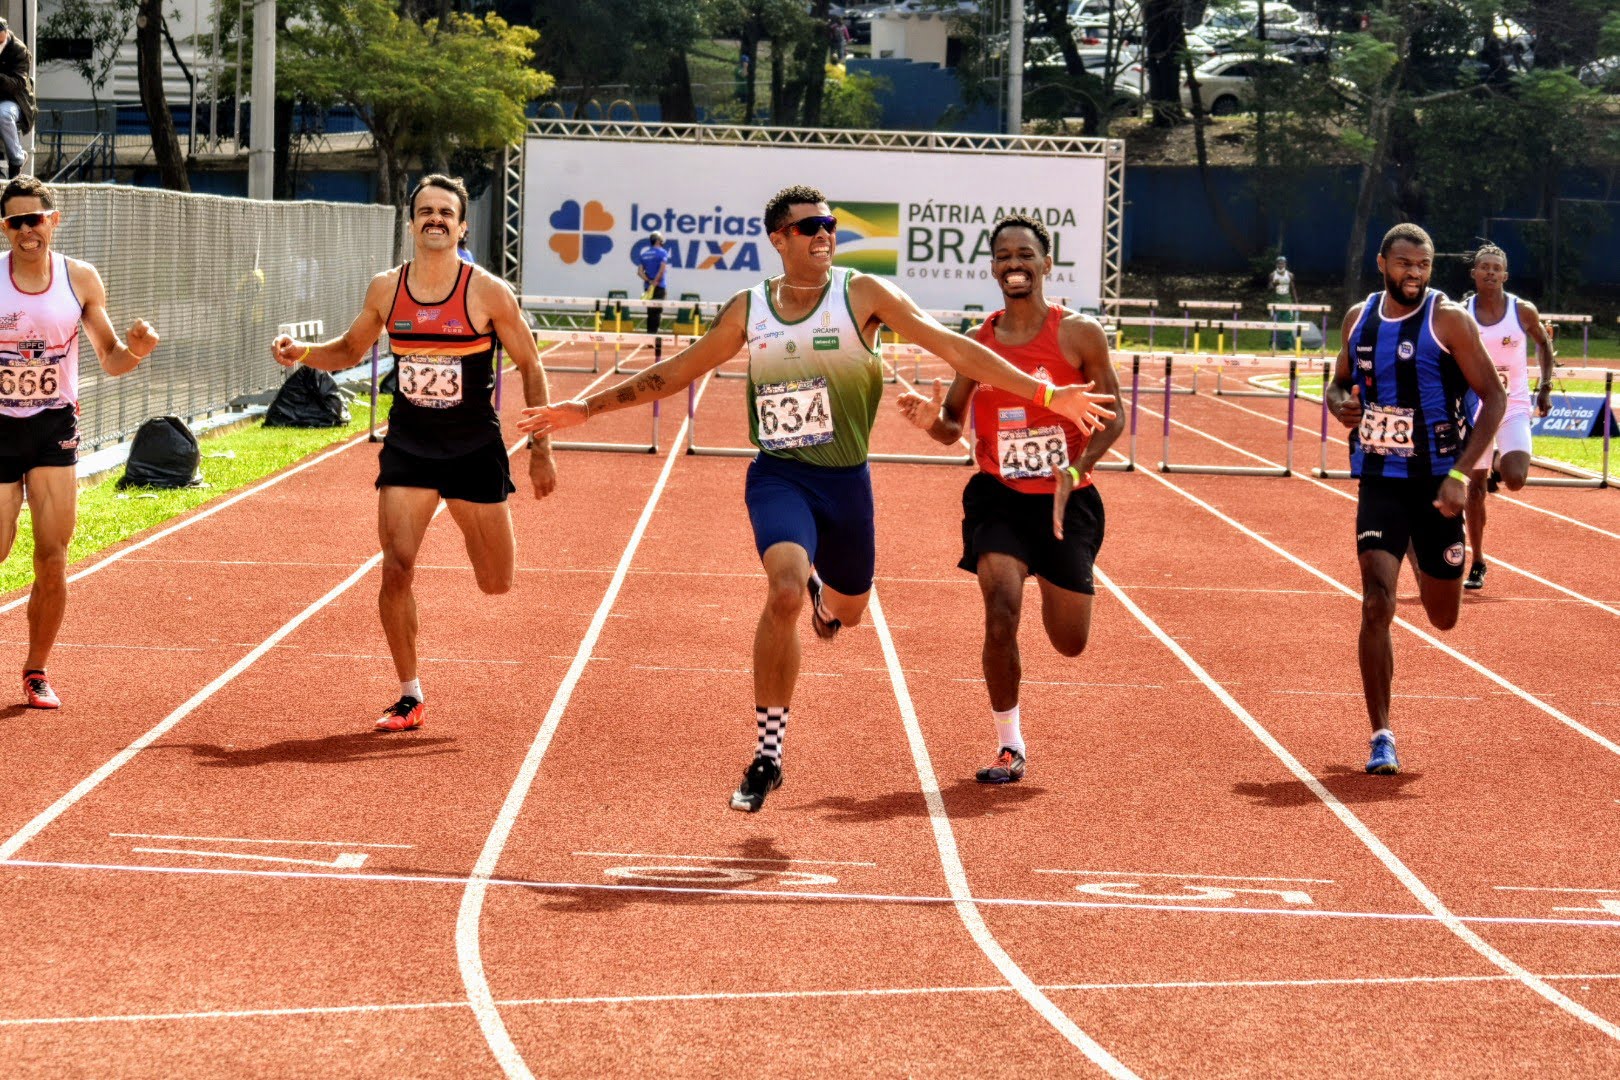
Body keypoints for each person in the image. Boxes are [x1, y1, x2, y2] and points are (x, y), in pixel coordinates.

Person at [519, 184, 1115, 812]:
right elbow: (680, 370)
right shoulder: (750, 309)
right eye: (808, 227)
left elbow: (955, 347)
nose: (824, 233)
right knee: (781, 588)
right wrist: (583, 408)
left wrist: (1049, 397)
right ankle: (768, 754)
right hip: (780, 474)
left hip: (846, 486)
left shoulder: (861, 294)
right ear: (779, 239)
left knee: (851, 610)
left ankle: (825, 595)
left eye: (829, 223)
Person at [271, 173, 558, 732]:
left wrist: (541, 448)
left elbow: (531, 364)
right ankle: (410, 693)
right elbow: (352, 349)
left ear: (461, 225)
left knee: (496, 581)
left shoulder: (488, 291)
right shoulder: (387, 289)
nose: (435, 219)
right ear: (411, 223)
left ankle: (419, 675)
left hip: (474, 448)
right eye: (425, 211)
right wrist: (303, 352)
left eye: (445, 213)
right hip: (410, 448)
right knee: (396, 569)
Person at [896, 213, 1125, 784]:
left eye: (1025, 255)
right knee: (999, 611)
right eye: (1003, 257)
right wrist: (932, 420)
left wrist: (1078, 467)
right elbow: (953, 423)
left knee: (1069, 642)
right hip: (997, 495)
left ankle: (1053, 575)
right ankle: (1009, 744)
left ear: (1046, 264)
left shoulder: (1078, 333)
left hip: (1066, 502)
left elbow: (1113, 415)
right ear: (993, 268)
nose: (1014, 264)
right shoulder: (978, 342)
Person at [1325, 223, 1504, 776]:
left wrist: (1459, 474)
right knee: (1377, 602)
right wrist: (1340, 405)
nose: (1415, 274)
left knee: (1442, 617)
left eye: (1423, 266)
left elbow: (1493, 399)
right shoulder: (1359, 318)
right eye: (1404, 264)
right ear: (1383, 263)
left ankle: (1430, 562)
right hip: (1380, 479)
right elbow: (1336, 382)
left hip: (1436, 485)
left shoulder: (1448, 319)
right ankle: (1381, 734)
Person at [0, 176, 158, 708]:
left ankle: (36, 669)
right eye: (16, 222)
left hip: (53, 428)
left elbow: (111, 357)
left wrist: (135, 350)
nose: (27, 231)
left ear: (53, 221)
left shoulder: (80, 280)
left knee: (52, 557)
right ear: (5, 228)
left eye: (35, 219)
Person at [1459, 244, 1554, 592]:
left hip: (1513, 405)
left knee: (1515, 479)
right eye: (1484, 267)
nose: (1490, 272)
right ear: (1474, 274)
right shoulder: (1462, 312)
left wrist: (1544, 388)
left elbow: (1543, 344)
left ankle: (1500, 458)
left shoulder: (1522, 310)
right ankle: (1478, 560)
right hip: (1478, 408)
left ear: (1505, 275)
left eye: (1496, 268)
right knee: (1475, 488)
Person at [0, 20, 33, 179]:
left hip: (14, 99)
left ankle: (17, 159)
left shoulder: (19, 50)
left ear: (5, 34)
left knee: (3, 115)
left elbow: (19, 83)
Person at [635, 231, 671, 337]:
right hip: (659, 286)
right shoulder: (662, 253)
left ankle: (649, 335)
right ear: (659, 240)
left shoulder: (644, 254)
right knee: (657, 312)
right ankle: (653, 337)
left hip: (648, 287)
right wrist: (655, 281)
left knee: (650, 312)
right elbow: (662, 269)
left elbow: (640, 272)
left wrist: (649, 281)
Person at [1269, 255, 1297, 349]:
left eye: (1282, 263)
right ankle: (1272, 344)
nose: (1281, 264)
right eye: (1279, 263)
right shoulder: (1273, 275)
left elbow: (1293, 289)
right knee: (1274, 324)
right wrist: (1274, 284)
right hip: (1276, 302)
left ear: (1285, 264)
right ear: (1276, 264)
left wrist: (1296, 303)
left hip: (1287, 302)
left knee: (1288, 324)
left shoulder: (1290, 275)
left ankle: (1287, 345)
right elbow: (1269, 288)